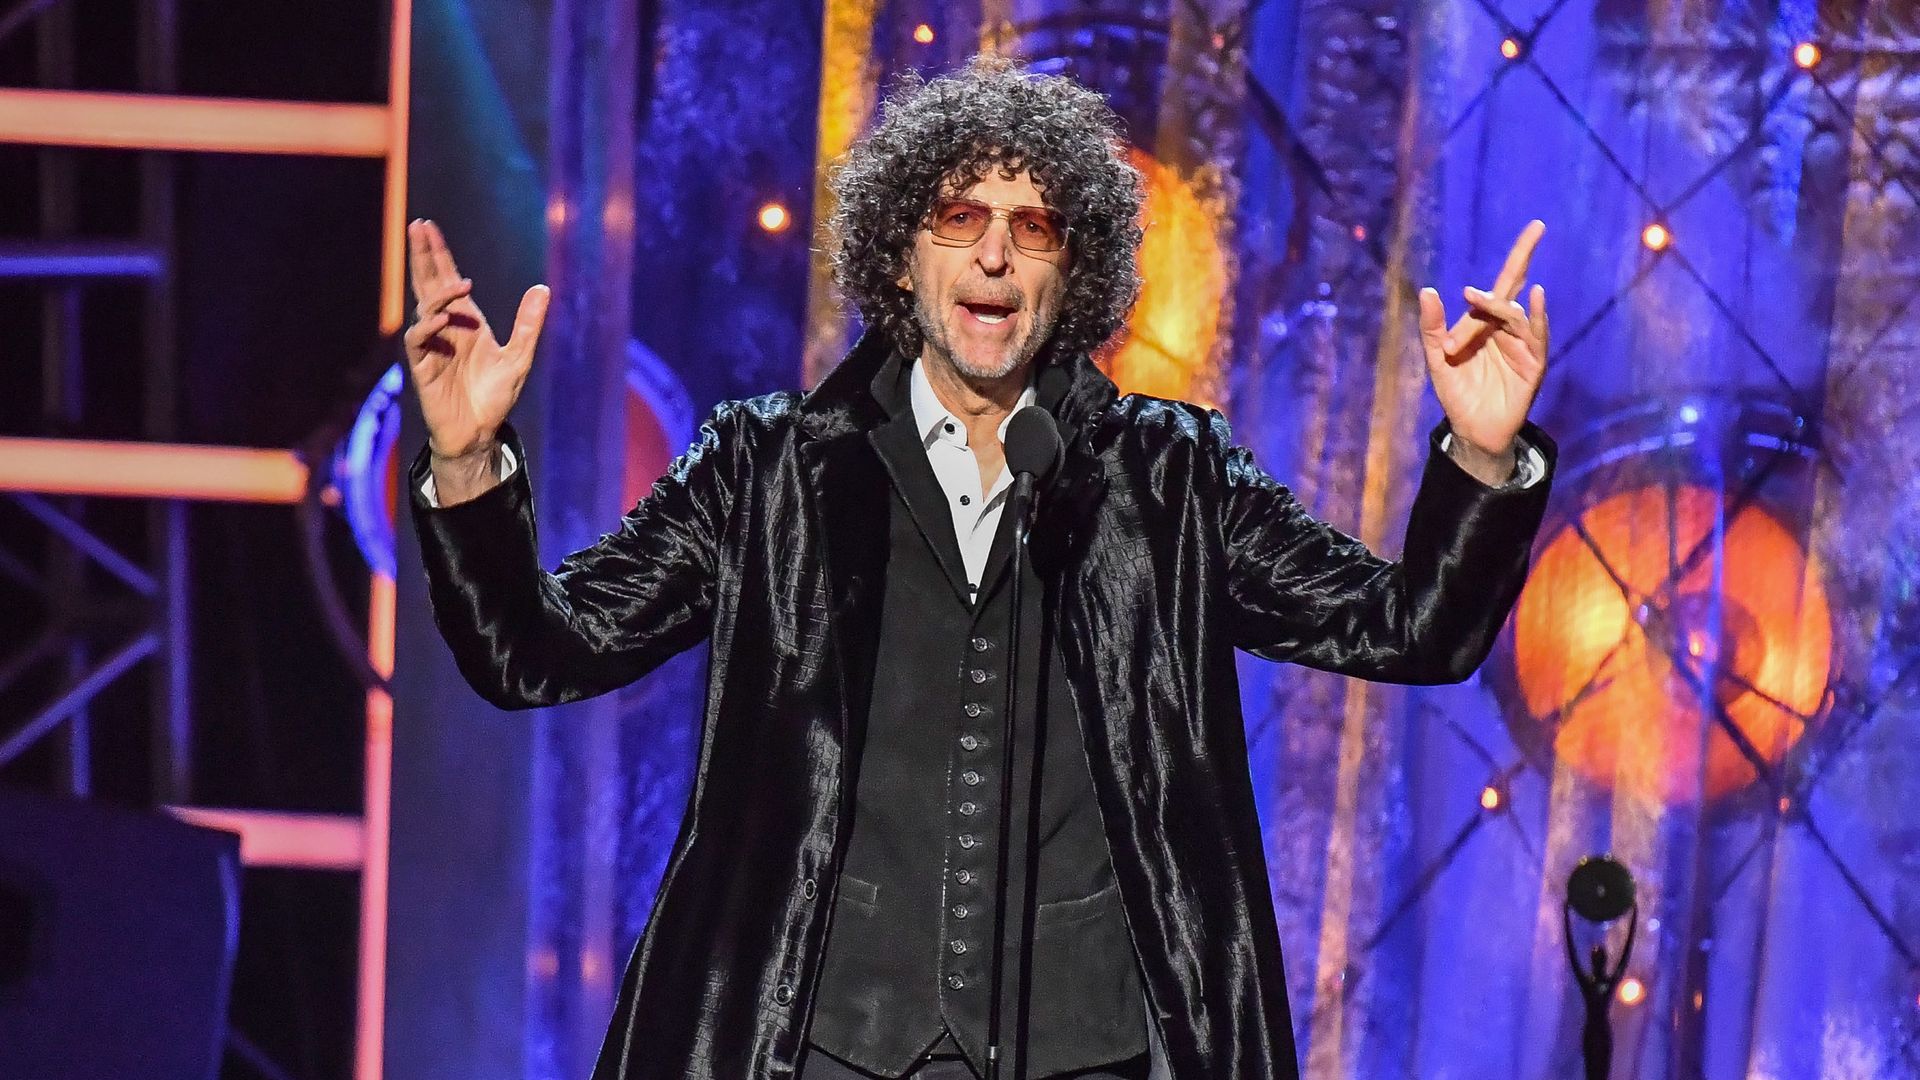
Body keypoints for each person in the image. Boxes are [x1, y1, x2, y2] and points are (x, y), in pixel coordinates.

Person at [404, 57, 1555, 1080]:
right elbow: (536, 654)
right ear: (903, 258)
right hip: (821, 1046)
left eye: (1036, 226)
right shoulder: (769, 474)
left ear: (1075, 274)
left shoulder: (1169, 480)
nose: (996, 250)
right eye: (959, 216)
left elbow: (1412, 630)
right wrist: (465, 464)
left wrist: (1484, 454)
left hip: (1091, 1049)